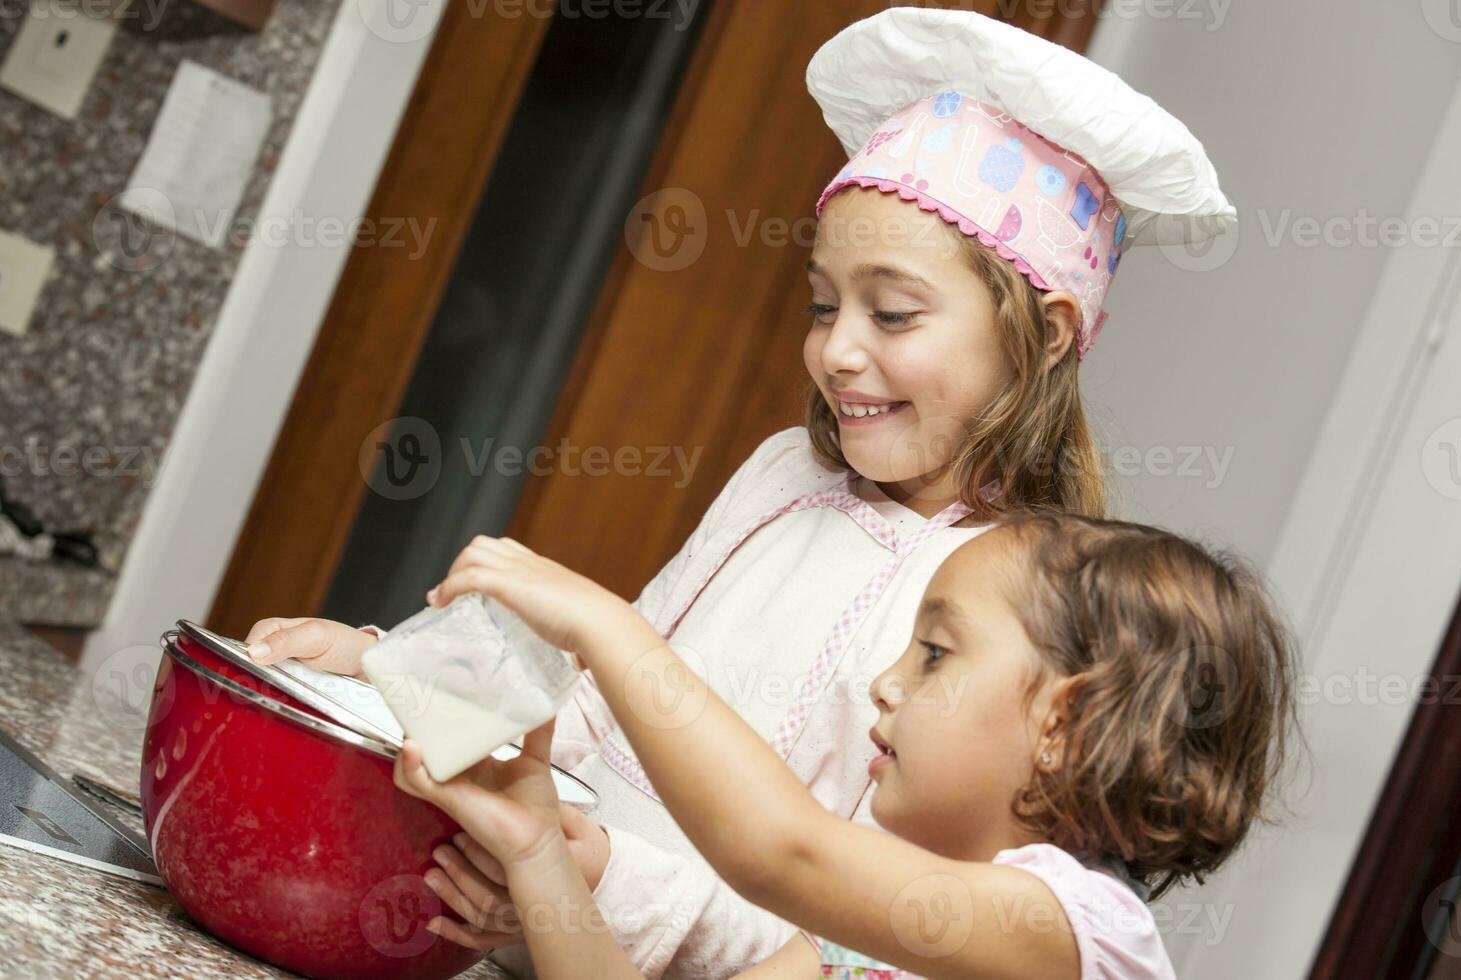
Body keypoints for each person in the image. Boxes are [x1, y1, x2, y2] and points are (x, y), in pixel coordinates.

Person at [245, 8, 1237, 973]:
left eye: (892, 312)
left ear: (1049, 333)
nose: (837, 348)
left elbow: (820, 909)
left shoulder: (993, 615)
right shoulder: (783, 471)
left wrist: (596, 870)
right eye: (821, 301)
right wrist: (394, 676)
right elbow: (595, 703)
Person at [394, 515, 1298, 979]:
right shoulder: (868, 937)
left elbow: (778, 849)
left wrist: (607, 629)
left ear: (1061, 724)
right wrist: (536, 848)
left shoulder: (1075, 932)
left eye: (936, 653)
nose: (886, 681)